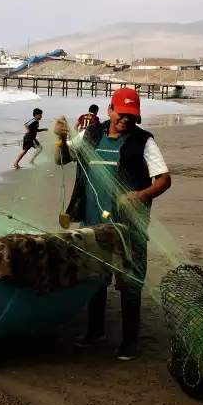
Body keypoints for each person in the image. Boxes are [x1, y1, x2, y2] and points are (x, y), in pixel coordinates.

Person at [53, 87, 172, 361]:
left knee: (130, 281)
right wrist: (61, 137)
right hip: (94, 223)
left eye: (131, 115)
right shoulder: (91, 135)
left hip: (128, 227)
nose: (126, 120)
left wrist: (140, 195)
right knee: (95, 277)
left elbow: (164, 179)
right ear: (110, 110)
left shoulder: (144, 142)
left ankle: (130, 342)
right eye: (121, 113)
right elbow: (61, 160)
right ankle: (95, 331)